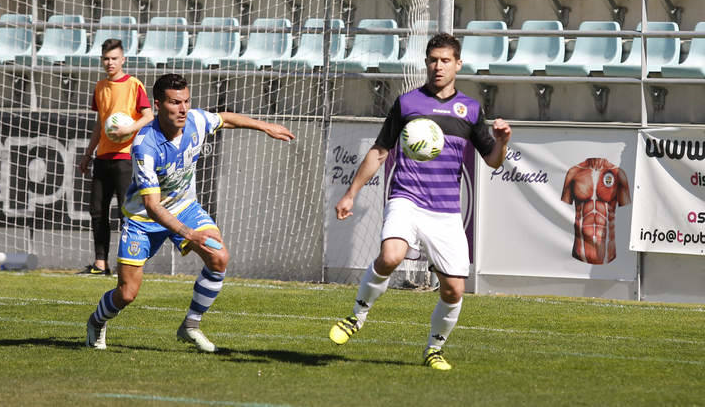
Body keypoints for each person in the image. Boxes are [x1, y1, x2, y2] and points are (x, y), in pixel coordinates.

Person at [329, 32, 511, 371]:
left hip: (445, 212)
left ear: (458, 64)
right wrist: (351, 192)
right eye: (432, 60)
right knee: (391, 255)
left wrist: (502, 142)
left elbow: (493, 161)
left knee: (454, 290)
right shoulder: (407, 103)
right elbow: (380, 151)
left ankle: (433, 349)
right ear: (426, 63)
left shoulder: (470, 110)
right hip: (406, 198)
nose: (438, 66)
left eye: (445, 61)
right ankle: (357, 316)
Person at [85, 73, 295, 352]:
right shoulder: (145, 146)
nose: (183, 109)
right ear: (158, 105)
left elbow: (225, 118)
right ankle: (97, 321)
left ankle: (191, 325)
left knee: (219, 257)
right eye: (175, 103)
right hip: (144, 220)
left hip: (184, 207)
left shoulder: (196, 120)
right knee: (127, 293)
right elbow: (152, 206)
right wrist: (189, 235)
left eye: (186, 101)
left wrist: (264, 125)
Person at [78, 38, 154, 275]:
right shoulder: (100, 87)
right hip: (102, 157)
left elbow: (149, 115)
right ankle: (101, 264)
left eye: (114, 58)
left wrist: (128, 130)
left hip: (125, 157)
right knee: (97, 210)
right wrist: (88, 154)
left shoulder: (134, 84)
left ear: (123, 60)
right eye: (106, 59)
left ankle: (128, 262)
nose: (110, 63)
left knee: (126, 212)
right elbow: (100, 124)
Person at [561, 158, 631, 264]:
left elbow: (627, 214)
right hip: (579, 254)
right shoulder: (574, 173)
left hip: (608, 255)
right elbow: (562, 210)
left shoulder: (618, 174)